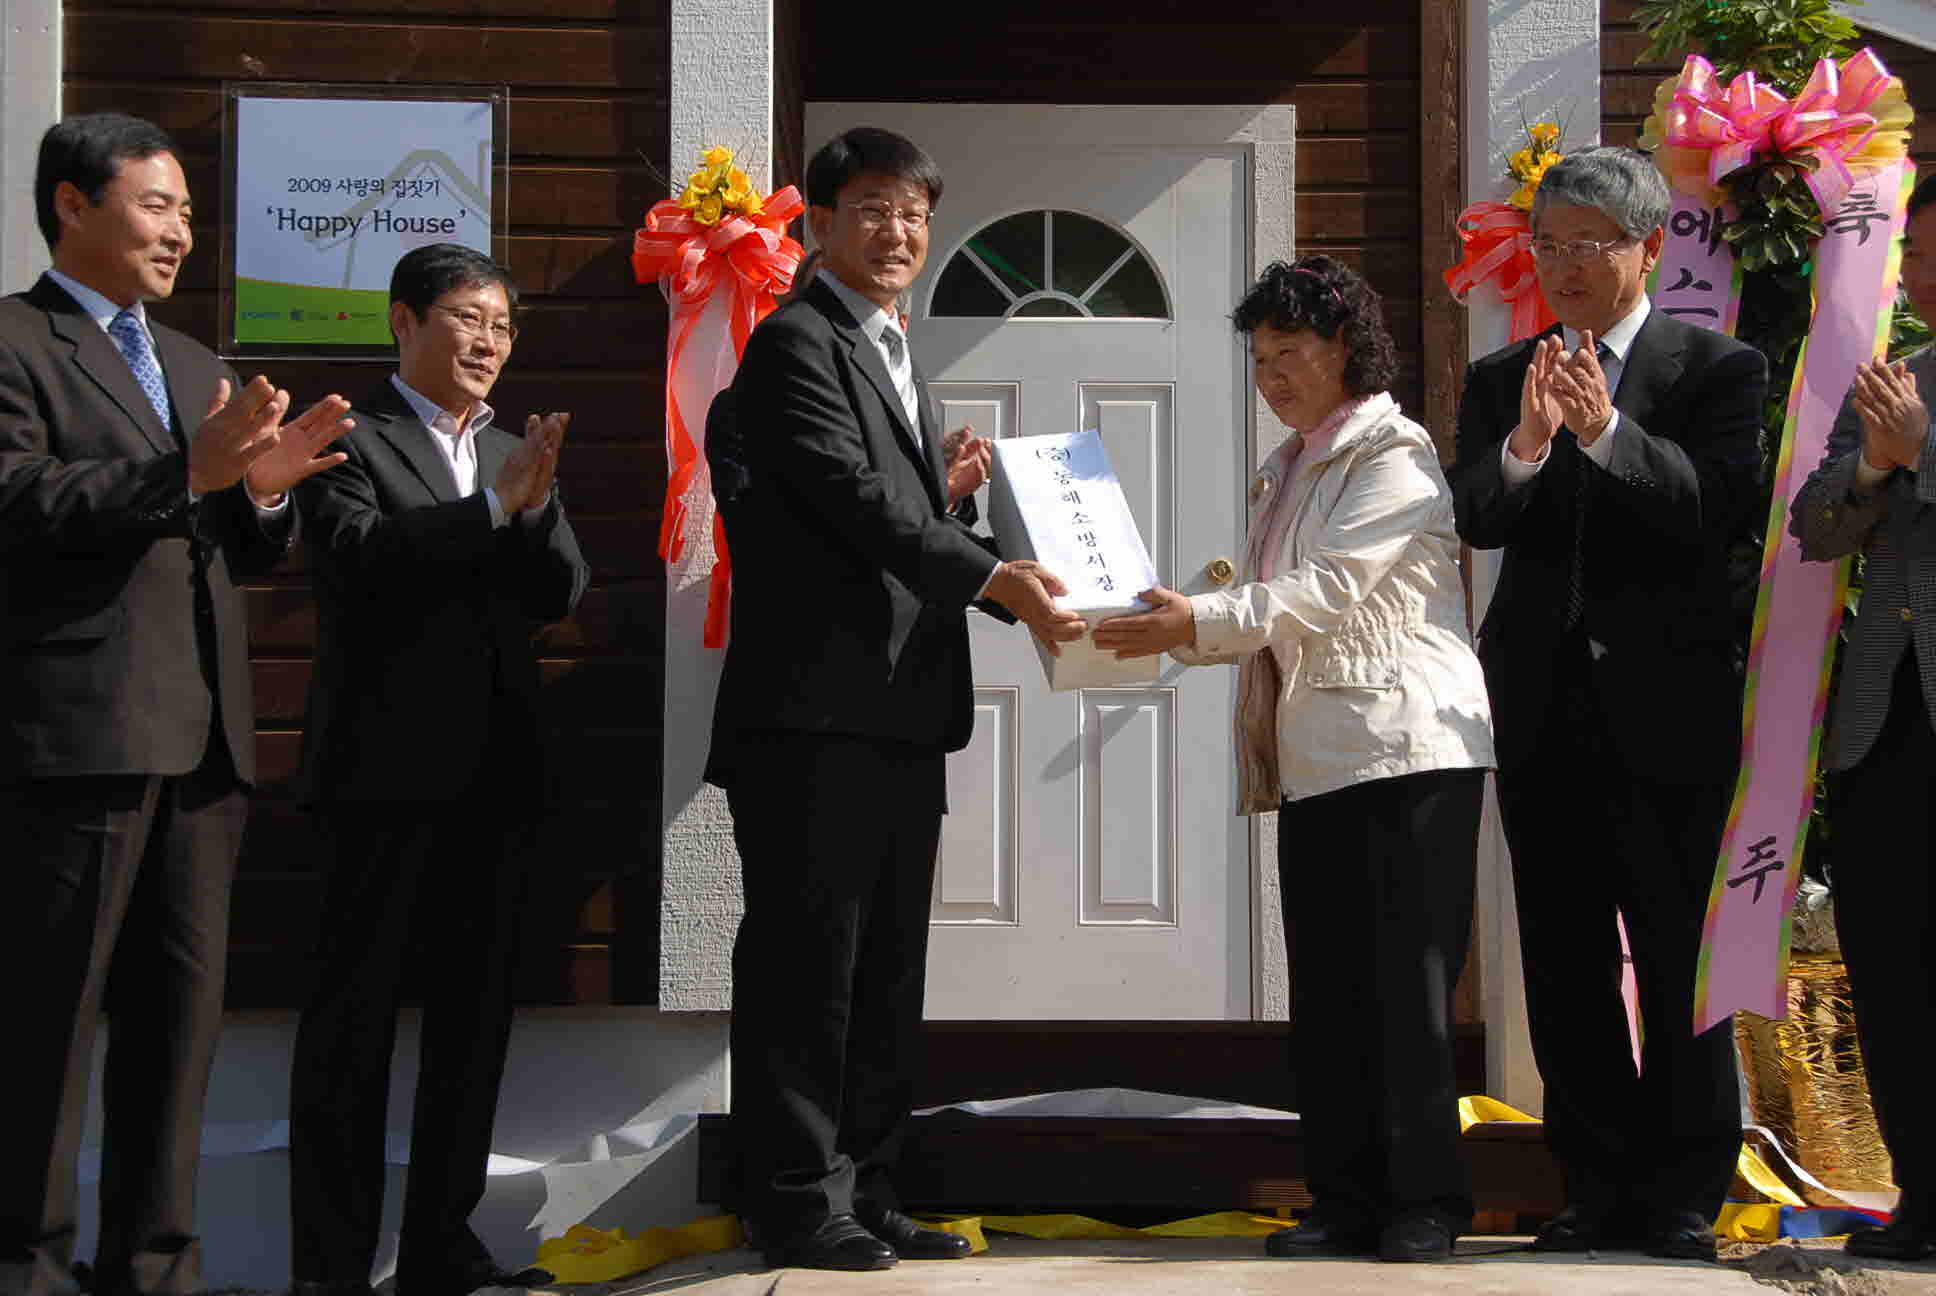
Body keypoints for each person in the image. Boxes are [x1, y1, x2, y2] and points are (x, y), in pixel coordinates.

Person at [707, 126, 1083, 1273]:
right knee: (807, 974)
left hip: (895, 716)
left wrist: (953, 504)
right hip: (812, 721)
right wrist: (994, 577)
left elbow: (889, 516)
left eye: (915, 212)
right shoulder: (795, 343)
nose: (898, 232)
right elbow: (848, 501)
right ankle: (792, 1199)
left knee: (882, 975)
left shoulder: (889, 349)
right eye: (872, 208)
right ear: (818, 224)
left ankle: (866, 1187)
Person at [0, 113, 349, 1296]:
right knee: (46, 1030)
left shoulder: (197, 367)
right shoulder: (14, 341)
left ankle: (155, 1269)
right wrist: (184, 476)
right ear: (71, 204)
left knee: (179, 1031)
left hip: (203, 749)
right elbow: (20, 503)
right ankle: (26, 1269)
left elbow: (228, 545)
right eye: (155, 205)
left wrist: (261, 497)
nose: (180, 233)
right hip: (76, 740)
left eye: (189, 213)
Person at [1092, 256, 1495, 1262]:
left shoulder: (1393, 451)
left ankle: (1425, 1204)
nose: (1271, 376)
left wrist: (1194, 622)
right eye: (1260, 358)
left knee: (1406, 990)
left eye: (1291, 353)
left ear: (1347, 349)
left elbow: (1321, 592)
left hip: (1407, 752)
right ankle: (1345, 1199)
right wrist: (1174, 624)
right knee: (1330, 992)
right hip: (1318, 756)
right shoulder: (1290, 464)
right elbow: (1268, 610)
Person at [1450, 147, 1767, 1261]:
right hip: (1542, 705)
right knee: (1564, 953)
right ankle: (1589, 1185)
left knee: (1677, 952)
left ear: (1648, 247)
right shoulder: (1504, 376)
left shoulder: (1716, 369)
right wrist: (1529, 445)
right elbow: (1476, 517)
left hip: (1671, 707)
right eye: (1548, 245)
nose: (1565, 266)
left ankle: (1682, 1194)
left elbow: (1717, 511)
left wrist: (1607, 435)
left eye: (1589, 244)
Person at [285, 244, 588, 1296]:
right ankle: (331, 1266)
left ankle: (441, 1248)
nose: (488, 342)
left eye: (502, 326)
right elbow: (357, 561)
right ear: (403, 322)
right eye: (467, 318)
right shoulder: (348, 438)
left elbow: (559, 591)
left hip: (495, 781)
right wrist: (493, 512)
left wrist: (532, 510)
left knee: (473, 1027)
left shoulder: (511, 449)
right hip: (379, 780)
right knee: (352, 1030)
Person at [1788, 171, 1936, 1265]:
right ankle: (1921, 1195)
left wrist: (1920, 455)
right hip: (1886, 718)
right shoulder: (1895, 381)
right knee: (1891, 965)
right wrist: (1878, 466)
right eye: (1914, 257)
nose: (1920, 275)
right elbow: (1816, 524)